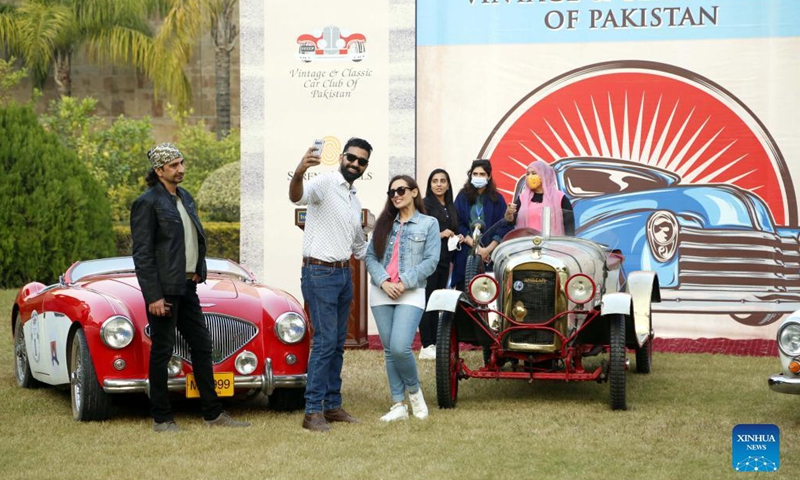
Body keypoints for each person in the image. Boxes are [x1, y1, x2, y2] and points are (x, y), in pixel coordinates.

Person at [130, 143, 250, 432]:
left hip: (187, 287)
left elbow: (193, 239)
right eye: (173, 165)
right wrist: (154, 296)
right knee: (162, 350)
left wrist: (199, 270)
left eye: (181, 163)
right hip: (165, 291)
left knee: (202, 345)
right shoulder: (146, 203)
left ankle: (213, 413)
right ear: (159, 171)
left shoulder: (185, 198)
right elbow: (143, 255)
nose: (181, 169)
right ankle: (162, 418)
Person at [289, 137, 372, 432]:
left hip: (343, 275)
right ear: (343, 157)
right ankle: (312, 412)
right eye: (352, 158)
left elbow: (361, 248)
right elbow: (296, 197)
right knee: (324, 343)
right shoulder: (324, 184)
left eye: (362, 161)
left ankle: (332, 406)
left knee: (337, 344)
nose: (356, 164)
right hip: (319, 273)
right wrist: (299, 172)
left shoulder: (354, 199)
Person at [365, 175, 440, 421]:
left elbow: (431, 261)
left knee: (400, 346)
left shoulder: (429, 223)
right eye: (392, 192)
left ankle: (415, 394)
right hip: (382, 290)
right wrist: (385, 281)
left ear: (415, 192)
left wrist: (403, 282)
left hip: (411, 290)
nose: (396, 195)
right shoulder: (384, 224)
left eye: (401, 190)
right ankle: (398, 405)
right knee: (389, 350)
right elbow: (370, 258)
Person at [418, 169, 461, 361]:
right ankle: (426, 344)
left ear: (448, 184)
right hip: (429, 259)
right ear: (429, 185)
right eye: (434, 181)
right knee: (428, 301)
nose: (439, 184)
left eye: (443, 181)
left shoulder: (450, 206)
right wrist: (440, 234)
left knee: (437, 301)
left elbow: (455, 228)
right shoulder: (425, 205)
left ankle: (435, 342)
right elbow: (418, 232)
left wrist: (456, 235)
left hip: (445, 260)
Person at [452, 159, 510, 291]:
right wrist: (475, 246)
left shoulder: (497, 199)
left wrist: (487, 250)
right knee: (464, 296)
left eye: (482, 174)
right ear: (470, 175)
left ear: (489, 176)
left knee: (487, 293)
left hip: (490, 256)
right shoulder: (462, 196)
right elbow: (457, 223)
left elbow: (504, 226)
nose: (478, 177)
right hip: (466, 252)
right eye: (475, 174)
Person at [505, 160, 574, 235]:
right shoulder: (522, 198)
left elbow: (569, 227)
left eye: (534, 173)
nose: (530, 177)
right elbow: (511, 223)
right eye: (528, 174)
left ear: (544, 175)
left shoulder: (560, 198)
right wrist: (509, 214)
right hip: (527, 244)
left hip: (552, 244)